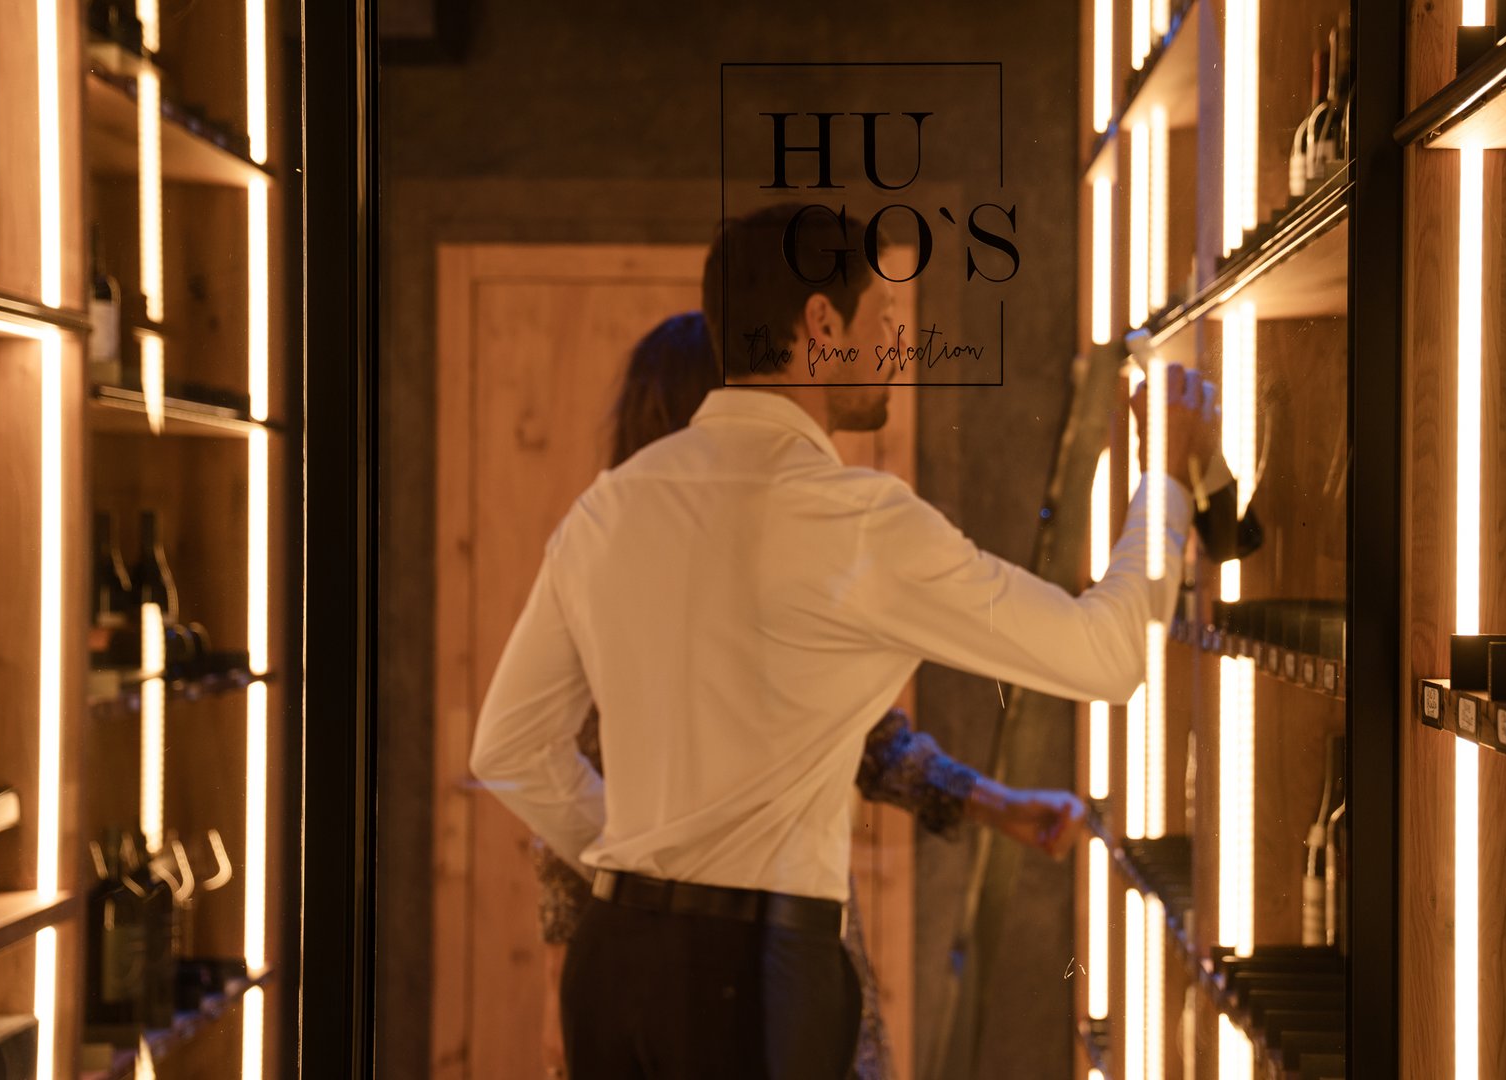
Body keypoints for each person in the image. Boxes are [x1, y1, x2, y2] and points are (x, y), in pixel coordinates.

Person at [471, 202, 1218, 1079]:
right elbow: (1108, 654)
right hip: (759, 974)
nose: (897, 350)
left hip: (616, 963)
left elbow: (510, 749)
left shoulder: (609, 506)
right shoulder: (857, 519)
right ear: (821, 325)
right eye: (887, 322)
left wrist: (648, 866)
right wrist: (1164, 479)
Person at [527, 311, 1088, 1080]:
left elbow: (867, 740)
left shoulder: (737, 565)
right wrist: (564, 973)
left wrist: (990, 801)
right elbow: (558, 782)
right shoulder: (626, 577)